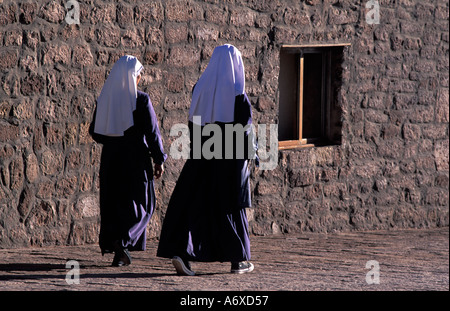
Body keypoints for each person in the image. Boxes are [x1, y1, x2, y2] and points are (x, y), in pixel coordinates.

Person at [157, 44, 256, 275]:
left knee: (194, 207)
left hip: (201, 158)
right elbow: (245, 131)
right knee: (231, 209)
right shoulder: (238, 97)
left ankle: (183, 253)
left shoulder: (199, 88)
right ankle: (238, 260)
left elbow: (192, 123)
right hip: (228, 161)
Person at [89, 55, 167, 267]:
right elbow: (152, 133)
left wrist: (113, 138)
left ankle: (119, 251)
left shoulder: (105, 100)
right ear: (134, 77)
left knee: (115, 203)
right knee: (145, 204)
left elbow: (95, 132)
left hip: (111, 160)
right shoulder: (141, 100)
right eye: (139, 75)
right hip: (135, 160)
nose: (140, 79)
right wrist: (159, 159)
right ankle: (122, 244)